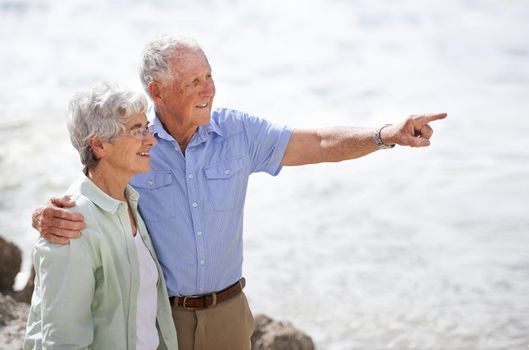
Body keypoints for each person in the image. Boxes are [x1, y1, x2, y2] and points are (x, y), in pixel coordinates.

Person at [31, 35, 447, 350]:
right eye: (193, 80)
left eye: (209, 76)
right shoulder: (135, 144)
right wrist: (44, 217)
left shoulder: (238, 132)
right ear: (157, 91)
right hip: (160, 319)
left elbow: (317, 142)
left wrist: (384, 134)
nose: (208, 88)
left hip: (230, 314)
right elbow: (92, 189)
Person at [24, 83, 177, 349]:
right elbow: (63, 342)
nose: (151, 139)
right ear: (98, 145)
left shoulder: (129, 201)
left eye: (147, 127)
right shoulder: (71, 225)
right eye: (136, 130)